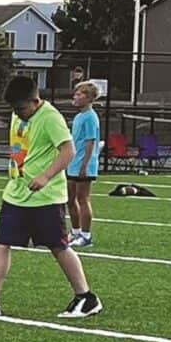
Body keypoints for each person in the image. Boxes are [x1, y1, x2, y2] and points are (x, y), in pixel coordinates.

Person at [0, 76, 102, 318]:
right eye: (14, 109)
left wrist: (45, 176)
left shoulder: (50, 117)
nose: (18, 113)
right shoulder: (18, 115)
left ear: (35, 101)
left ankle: (86, 297)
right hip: (17, 193)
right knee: (1, 243)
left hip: (46, 197)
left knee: (59, 247)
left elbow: (68, 151)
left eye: (21, 108)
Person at [66, 81, 100, 248]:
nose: (76, 97)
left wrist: (85, 165)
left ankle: (86, 235)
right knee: (70, 199)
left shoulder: (91, 117)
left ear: (89, 98)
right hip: (73, 162)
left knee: (83, 198)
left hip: (84, 163)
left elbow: (90, 142)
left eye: (80, 94)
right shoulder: (79, 116)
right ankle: (75, 231)